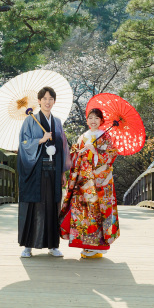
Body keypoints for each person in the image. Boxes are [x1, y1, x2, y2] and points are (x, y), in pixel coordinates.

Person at [17, 86, 71, 258]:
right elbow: (23, 144)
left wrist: (63, 173)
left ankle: (53, 245)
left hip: (53, 170)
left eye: (51, 99)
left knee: (52, 205)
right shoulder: (30, 120)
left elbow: (62, 148)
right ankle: (28, 246)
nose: (48, 102)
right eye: (44, 99)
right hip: (35, 169)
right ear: (39, 101)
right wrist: (41, 139)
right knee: (33, 205)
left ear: (54, 101)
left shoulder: (57, 122)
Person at [60, 108, 119, 259]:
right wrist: (78, 154)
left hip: (99, 183)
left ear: (101, 121)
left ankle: (98, 246)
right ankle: (85, 245)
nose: (93, 121)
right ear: (87, 120)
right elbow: (73, 155)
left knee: (97, 213)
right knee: (82, 213)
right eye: (90, 118)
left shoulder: (106, 136)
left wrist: (96, 151)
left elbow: (110, 156)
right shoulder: (83, 137)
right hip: (82, 181)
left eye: (97, 118)